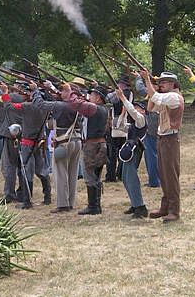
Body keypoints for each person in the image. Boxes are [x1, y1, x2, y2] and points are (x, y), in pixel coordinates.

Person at [33, 79, 85, 213]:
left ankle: (63, 204)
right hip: (76, 141)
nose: (60, 92)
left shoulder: (62, 106)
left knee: (60, 174)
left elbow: (40, 105)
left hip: (64, 142)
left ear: (69, 92)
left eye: (63, 91)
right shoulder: (78, 105)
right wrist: (51, 89)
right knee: (72, 174)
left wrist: (35, 91)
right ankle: (70, 201)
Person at [0, 83, 51, 209]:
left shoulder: (27, 106)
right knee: (41, 170)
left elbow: (8, 106)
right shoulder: (45, 107)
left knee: (27, 170)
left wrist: (5, 93)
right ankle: (47, 196)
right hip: (39, 141)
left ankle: (27, 201)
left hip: (28, 142)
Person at [141, 71, 185, 222]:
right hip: (163, 138)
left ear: (172, 84)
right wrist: (153, 87)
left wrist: (147, 80)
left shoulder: (173, 96)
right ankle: (165, 207)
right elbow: (151, 107)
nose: (161, 85)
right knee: (164, 175)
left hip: (170, 139)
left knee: (170, 176)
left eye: (163, 82)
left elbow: (155, 98)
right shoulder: (166, 96)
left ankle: (174, 210)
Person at [62, 84, 108, 215]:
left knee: (89, 175)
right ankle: (95, 205)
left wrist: (71, 92)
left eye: (92, 95)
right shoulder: (102, 109)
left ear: (98, 98)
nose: (90, 97)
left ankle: (93, 206)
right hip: (99, 144)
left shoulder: (94, 108)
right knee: (95, 176)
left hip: (92, 146)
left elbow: (74, 104)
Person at [115, 89, 149, 218]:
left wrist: (123, 98)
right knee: (125, 178)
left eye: (137, 107)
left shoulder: (141, 119)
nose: (134, 109)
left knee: (131, 178)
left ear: (143, 110)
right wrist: (124, 113)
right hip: (128, 149)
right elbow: (119, 126)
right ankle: (135, 204)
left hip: (134, 150)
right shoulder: (132, 122)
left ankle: (140, 206)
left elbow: (134, 113)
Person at [135, 73, 160, 187]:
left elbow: (139, 88)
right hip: (157, 122)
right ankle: (156, 179)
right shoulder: (161, 94)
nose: (149, 85)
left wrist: (139, 77)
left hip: (152, 122)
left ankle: (154, 181)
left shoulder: (155, 94)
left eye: (152, 83)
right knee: (153, 153)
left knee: (151, 154)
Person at [105, 75, 132, 182]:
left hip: (117, 122)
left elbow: (108, 99)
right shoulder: (129, 93)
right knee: (120, 150)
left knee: (112, 152)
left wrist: (112, 92)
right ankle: (121, 174)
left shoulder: (121, 94)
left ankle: (111, 176)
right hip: (123, 123)